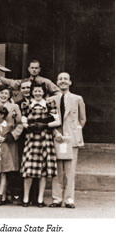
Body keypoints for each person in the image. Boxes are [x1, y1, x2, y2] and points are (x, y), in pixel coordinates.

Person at [20, 83, 60, 207]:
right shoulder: (26, 105)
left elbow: (57, 121)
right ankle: (26, 198)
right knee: (28, 169)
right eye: (35, 91)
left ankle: (40, 198)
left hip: (45, 138)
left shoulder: (49, 104)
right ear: (32, 92)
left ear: (43, 92)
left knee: (43, 171)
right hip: (32, 139)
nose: (37, 93)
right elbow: (23, 120)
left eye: (40, 91)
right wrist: (29, 127)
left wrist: (45, 125)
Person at [50, 72, 86, 209]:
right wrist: (56, 132)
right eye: (60, 79)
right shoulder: (52, 99)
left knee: (70, 170)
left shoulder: (77, 99)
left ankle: (69, 199)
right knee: (57, 169)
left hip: (71, 138)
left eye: (65, 79)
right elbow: (50, 118)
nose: (63, 81)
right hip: (58, 137)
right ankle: (57, 198)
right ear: (57, 82)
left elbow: (82, 119)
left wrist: (75, 132)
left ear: (70, 82)